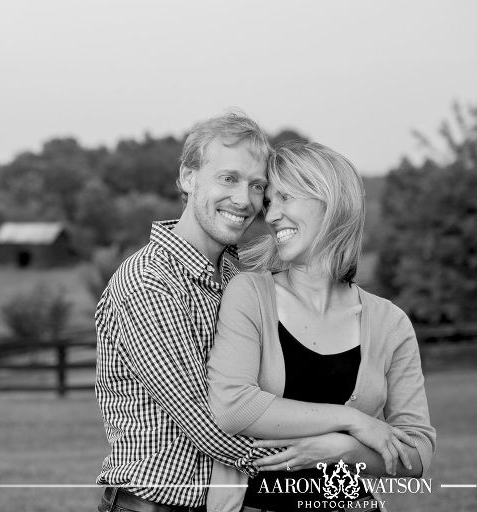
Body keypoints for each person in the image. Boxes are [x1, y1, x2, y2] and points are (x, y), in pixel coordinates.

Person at [206, 141, 436, 512]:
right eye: (269, 203)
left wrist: (343, 451)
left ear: (331, 203)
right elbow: (233, 408)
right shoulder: (250, 293)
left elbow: (418, 452)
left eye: (286, 198)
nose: (272, 215)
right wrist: (352, 420)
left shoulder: (390, 323)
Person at [94, 109, 276, 512]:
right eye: (228, 178)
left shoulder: (239, 276)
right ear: (189, 177)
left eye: (257, 185)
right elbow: (209, 424)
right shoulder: (148, 282)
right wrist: (331, 458)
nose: (244, 200)